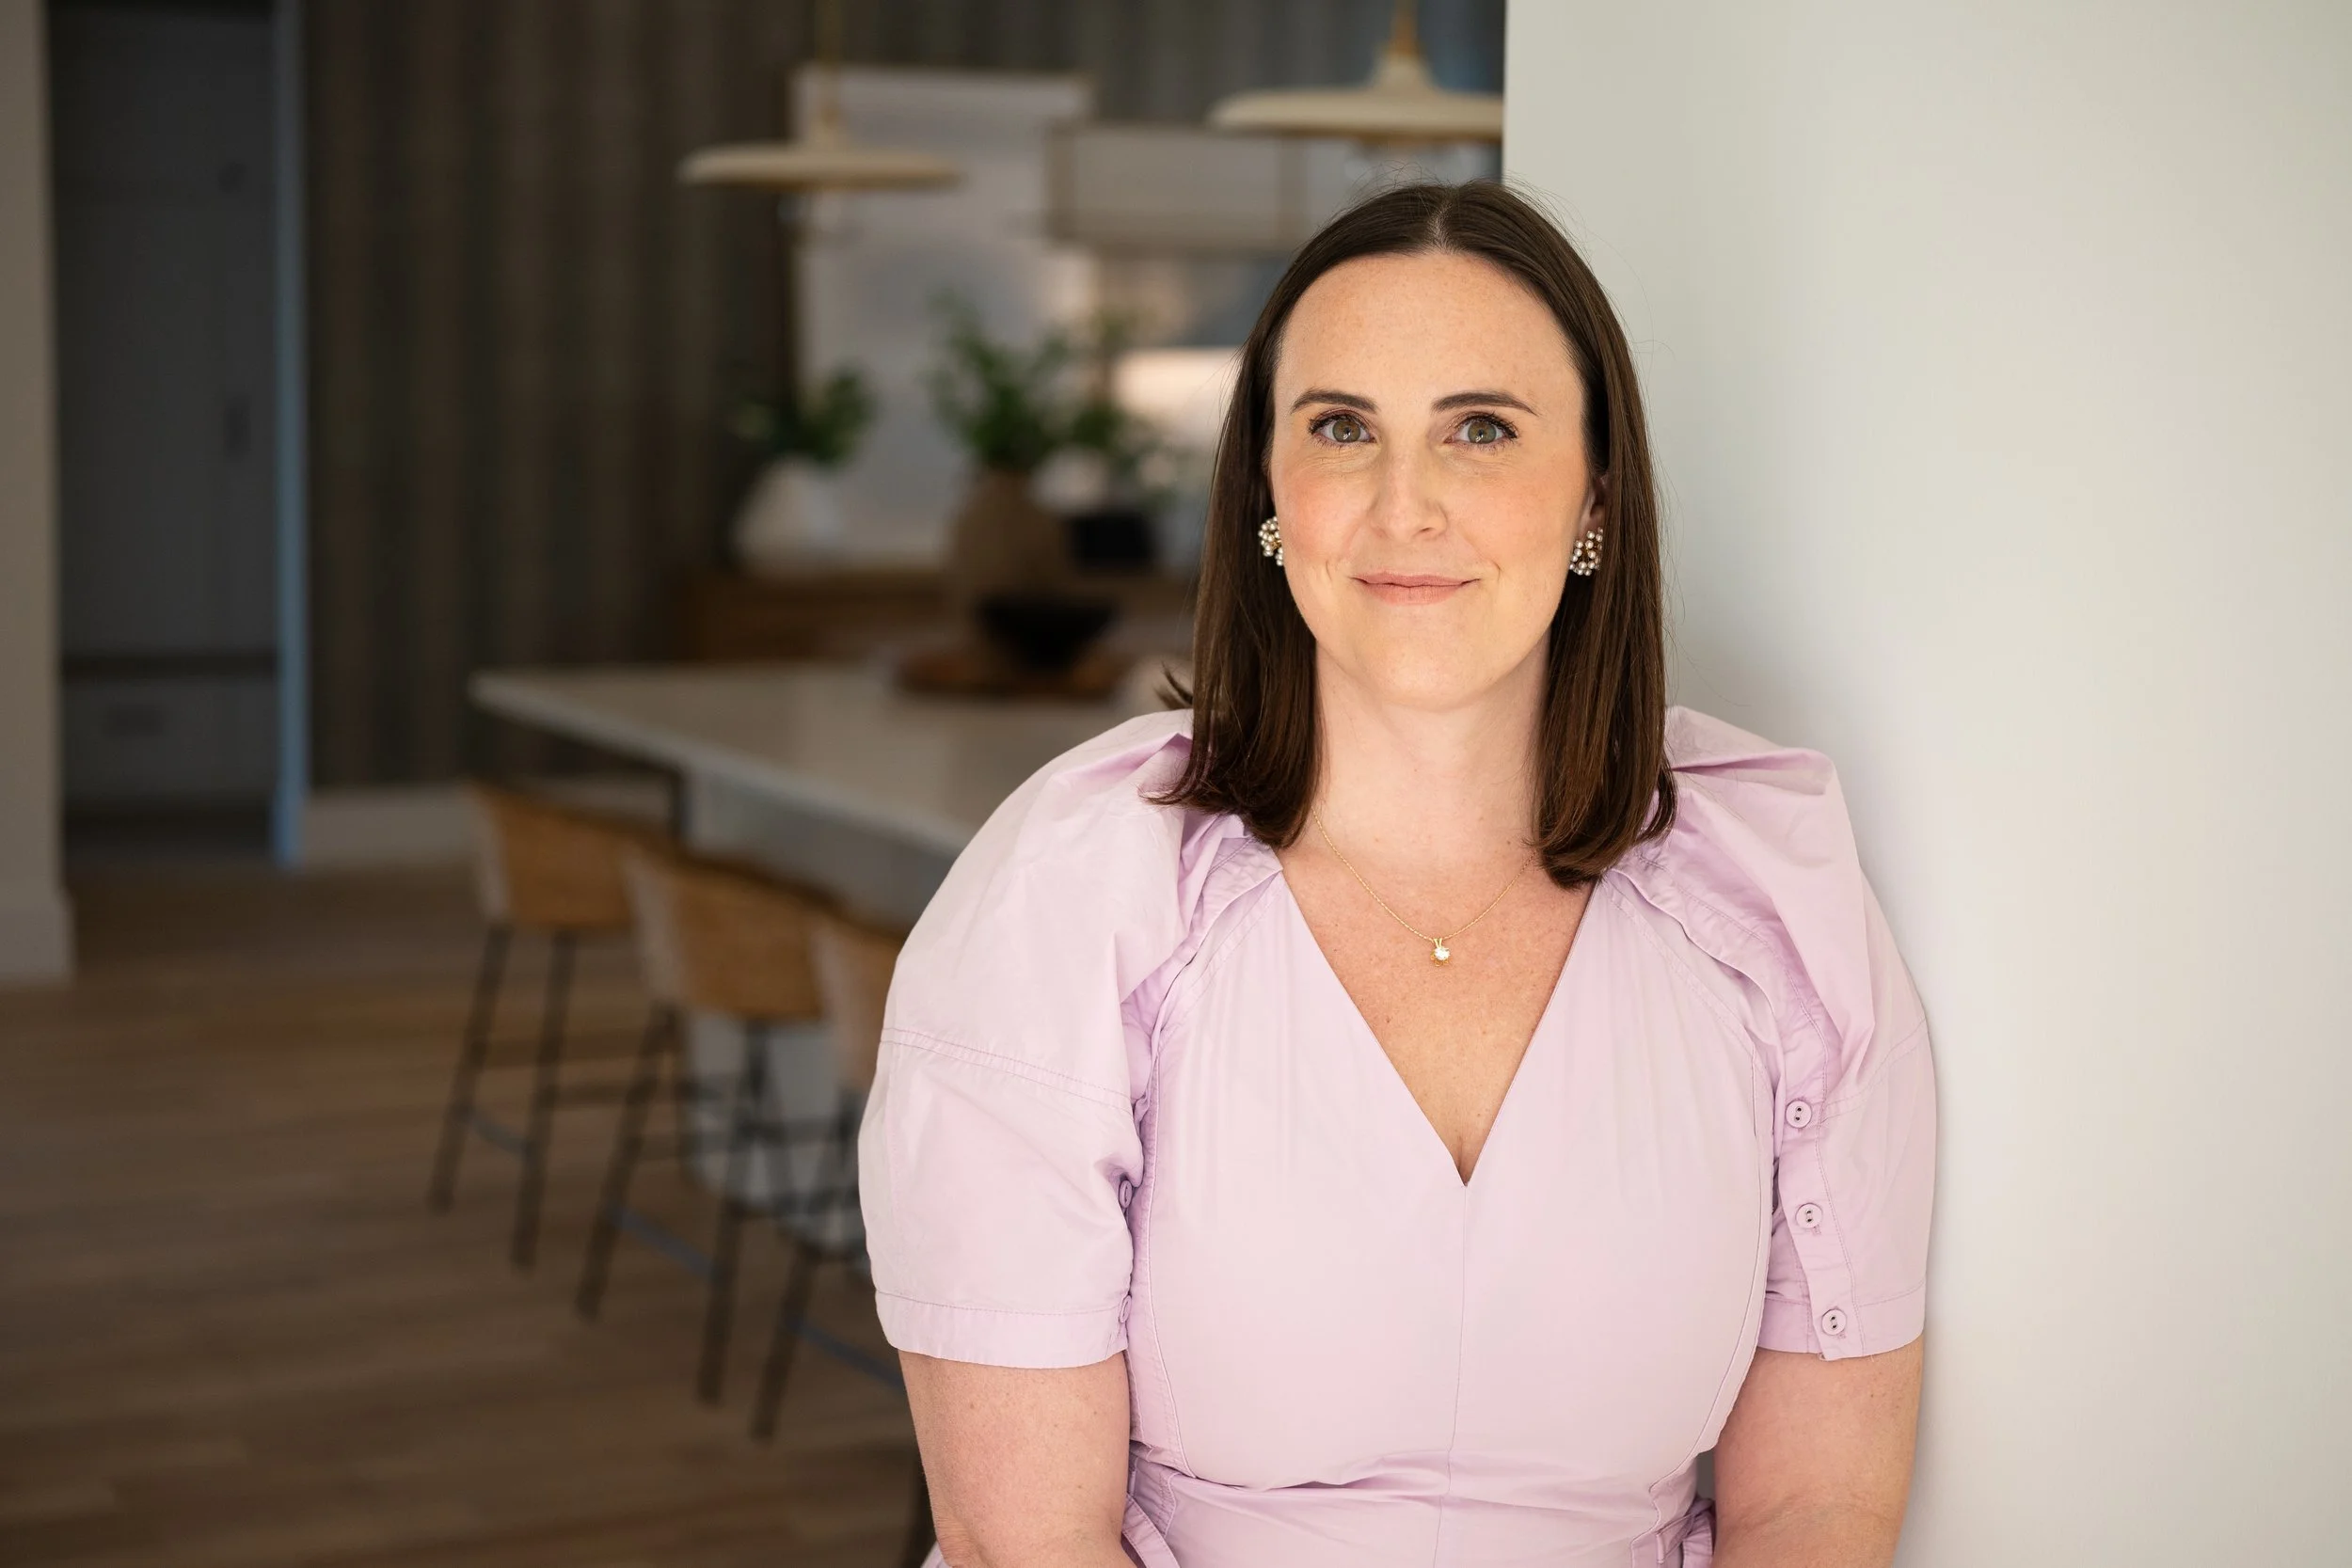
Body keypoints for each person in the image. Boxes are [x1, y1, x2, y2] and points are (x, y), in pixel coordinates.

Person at [858, 181, 1936, 1568]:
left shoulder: (1772, 901)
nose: (1404, 504)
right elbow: (1025, 1541)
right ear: (1267, 493)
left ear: (1596, 496)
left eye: (1479, 429)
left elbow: (1816, 1510)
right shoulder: (1077, 897)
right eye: (1342, 427)